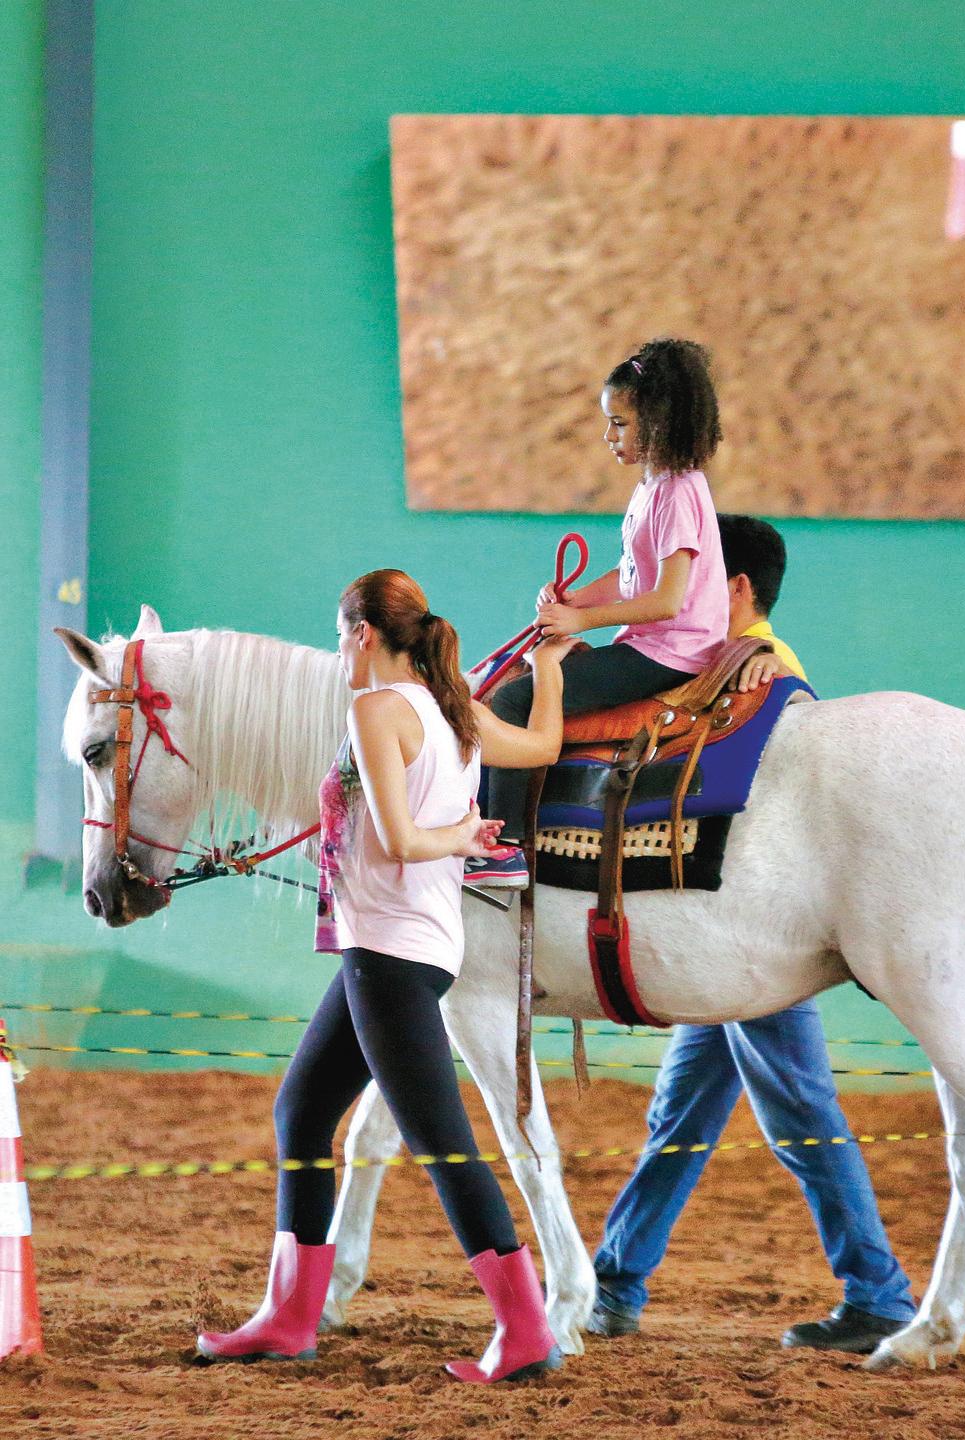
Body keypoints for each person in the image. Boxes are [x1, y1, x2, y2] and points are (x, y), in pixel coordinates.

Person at [196, 569, 576, 1383]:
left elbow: (402, 840)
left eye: (340, 632)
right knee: (302, 1112)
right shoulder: (453, 709)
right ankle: (290, 1316)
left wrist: (461, 835)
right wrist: (549, 670)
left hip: (389, 953)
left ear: (364, 631)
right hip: (408, 947)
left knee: (445, 1147)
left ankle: (527, 1332)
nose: (338, 647)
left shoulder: (374, 708)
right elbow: (541, 746)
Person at [587, 517, 919, 1354]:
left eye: (698, 582)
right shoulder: (729, 664)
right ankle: (615, 1282)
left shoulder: (765, 672)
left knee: (798, 1111)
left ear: (737, 590)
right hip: (719, 933)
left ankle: (879, 1293)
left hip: (743, 932)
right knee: (683, 1118)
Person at [467, 337, 730, 888]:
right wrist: (576, 599)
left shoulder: (678, 492)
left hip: (674, 651)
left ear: (657, 423)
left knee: (515, 699)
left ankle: (504, 845)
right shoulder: (655, 485)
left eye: (620, 423)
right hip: (657, 642)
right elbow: (635, 574)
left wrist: (580, 624)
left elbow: (667, 600)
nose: (608, 436)